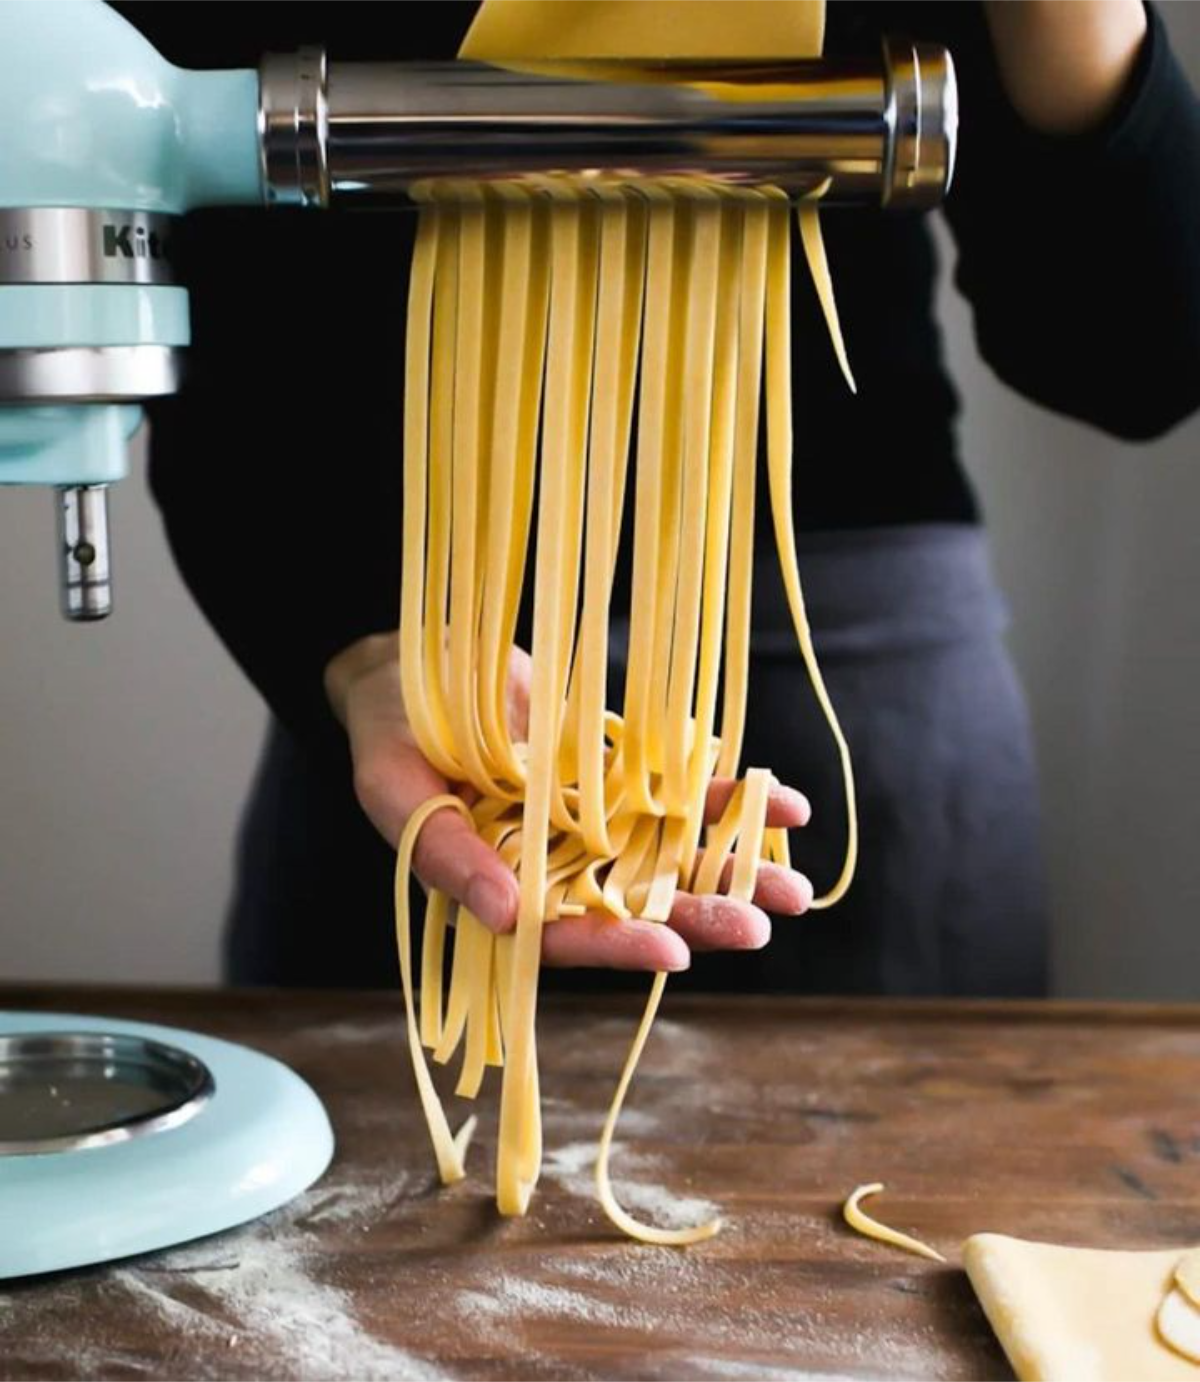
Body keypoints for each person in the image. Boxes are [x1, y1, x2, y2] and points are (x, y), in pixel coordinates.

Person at [112, 1, 1200, 995]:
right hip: (403, 662)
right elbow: (190, 268)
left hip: (857, 666)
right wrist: (360, 652)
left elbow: (1135, 356)